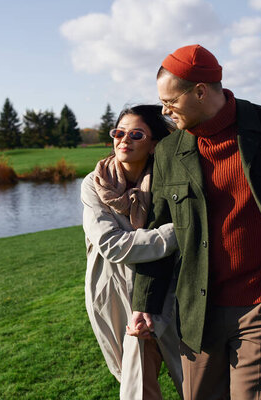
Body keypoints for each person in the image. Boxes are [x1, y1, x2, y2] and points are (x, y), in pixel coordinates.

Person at [129, 45, 261, 399]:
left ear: (200, 90)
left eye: (170, 101)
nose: (165, 110)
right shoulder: (167, 151)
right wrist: (144, 303)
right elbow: (159, 233)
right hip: (198, 314)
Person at [82, 104, 184, 399]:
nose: (124, 140)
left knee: (193, 381)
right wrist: (179, 232)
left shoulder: (169, 182)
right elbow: (111, 245)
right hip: (111, 292)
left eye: (136, 134)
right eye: (119, 132)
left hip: (168, 290)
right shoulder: (94, 183)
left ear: (154, 145)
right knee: (134, 386)